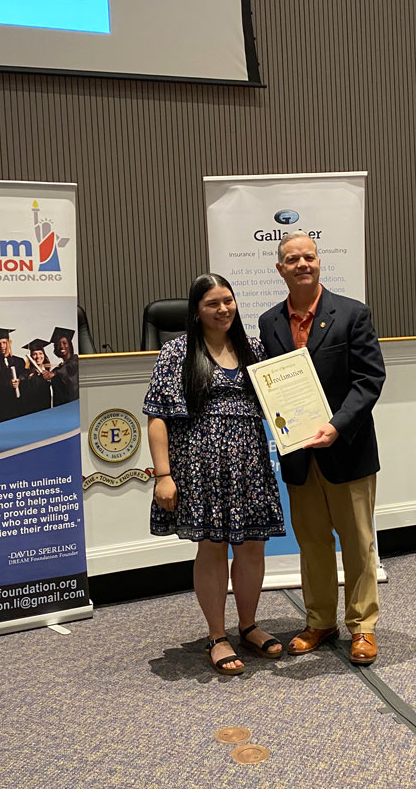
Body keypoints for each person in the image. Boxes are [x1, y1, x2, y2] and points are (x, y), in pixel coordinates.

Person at [144, 273, 285, 676]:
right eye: (212, 303)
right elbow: (156, 418)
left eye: (228, 300)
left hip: (249, 464)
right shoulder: (176, 352)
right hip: (199, 467)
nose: (223, 309)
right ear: (196, 311)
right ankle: (217, 634)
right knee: (211, 548)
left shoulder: (254, 348)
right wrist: (163, 475)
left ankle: (249, 625)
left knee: (252, 547)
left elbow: (281, 399)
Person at [259, 231, 386, 665]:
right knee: (312, 542)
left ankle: (363, 628)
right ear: (280, 269)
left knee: (356, 542)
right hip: (298, 454)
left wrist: (336, 426)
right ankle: (319, 621)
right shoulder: (269, 322)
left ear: (319, 262)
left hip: (346, 449)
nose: (302, 264)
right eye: (292, 259)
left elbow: (369, 380)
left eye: (308, 257)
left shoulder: (352, 314)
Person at [48, 327, 79, 406]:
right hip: (60, 407)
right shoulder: (58, 368)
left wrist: (54, 374)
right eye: (58, 344)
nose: (61, 346)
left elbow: (70, 367)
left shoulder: (76, 360)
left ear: (70, 345)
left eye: (64, 343)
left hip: (74, 404)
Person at [22, 338, 53, 413]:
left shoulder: (48, 372)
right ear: (31, 357)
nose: (38, 356)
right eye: (34, 354)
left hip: (47, 409)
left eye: (40, 353)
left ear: (44, 355)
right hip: (31, 411)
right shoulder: (26, 374)